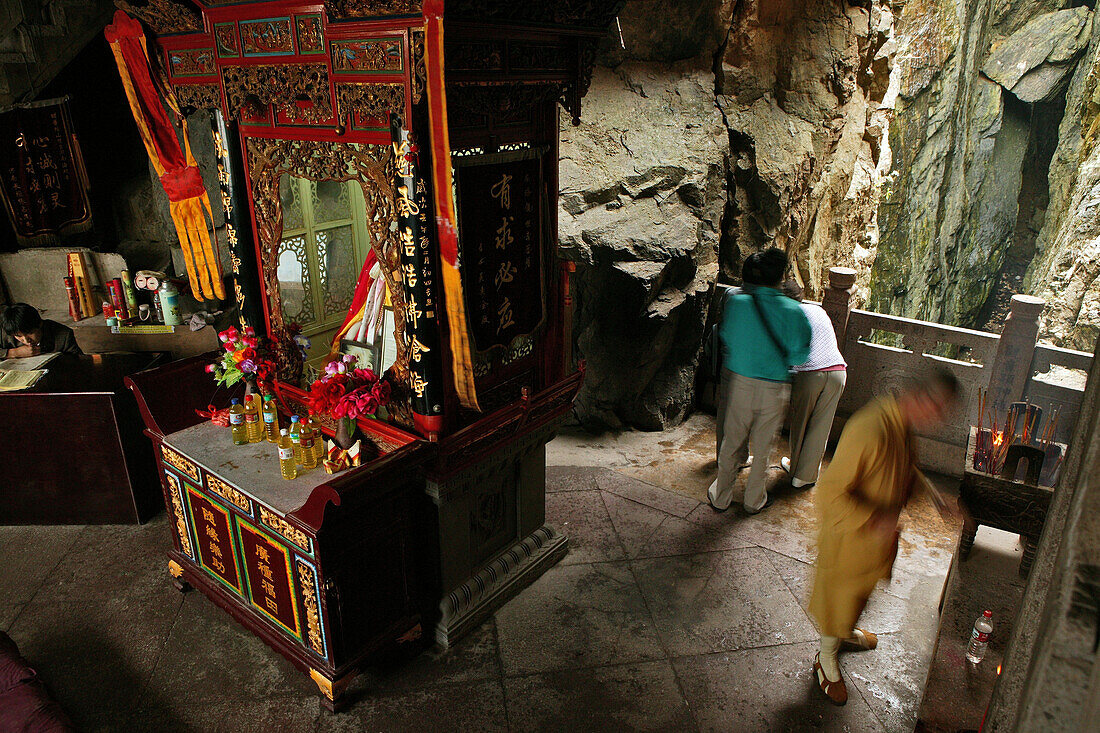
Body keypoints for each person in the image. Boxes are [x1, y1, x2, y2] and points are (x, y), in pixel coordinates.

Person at [809, 368, 960, 705]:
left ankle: (843, 633)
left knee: (858, 598)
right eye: (938, 410)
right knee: (841, 598)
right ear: (920, 398)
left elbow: (905, 467)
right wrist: (875, 517)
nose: (939, 419)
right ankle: (826, 658)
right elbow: (829, 492)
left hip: (873, 544)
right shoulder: (871, 426)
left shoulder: (901, 424)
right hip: (851, 539)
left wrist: (936, 499)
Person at [707, 248, 811, 514]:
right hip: (775, 388)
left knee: (732, 442)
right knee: (764, 446)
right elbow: (801, 353)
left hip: (740, 382)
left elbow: (727, 336)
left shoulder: (737, 303)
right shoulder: (793, 309)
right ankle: (754, 501)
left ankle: (721, 496)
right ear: (780, 277)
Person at [779, 280, 846, 488]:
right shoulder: (819, 310)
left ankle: (795, 468)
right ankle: (805, 477)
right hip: (838, 371)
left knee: (801, 423)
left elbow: (789, 354)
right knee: (820, 427)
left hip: (810, 374)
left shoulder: (786, 316)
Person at [1, 303, 82, 358]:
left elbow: (79, 361)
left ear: (40, 324)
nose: (26, 340)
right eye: (19, 336)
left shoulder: (64, 335)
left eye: (30, 333)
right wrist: (14, 353)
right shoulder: (8, 331)